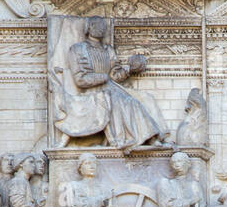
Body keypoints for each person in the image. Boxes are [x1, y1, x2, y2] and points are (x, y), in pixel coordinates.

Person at [56, 16, 167, 151]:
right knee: (116, 101)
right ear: (88, 28)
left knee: (133, 102)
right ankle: (121, 140)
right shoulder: (78, 49)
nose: (101, 28)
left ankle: (150, 138)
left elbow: (115, 75)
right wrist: (104, 78)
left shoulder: (108, 50)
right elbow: (80, 79)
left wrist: (130, 69)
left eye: (103, 25)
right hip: (93, 92)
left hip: (111, 88)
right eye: (96, 24)